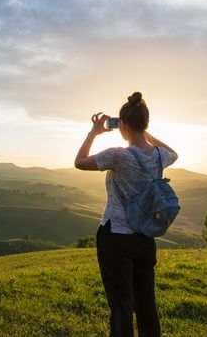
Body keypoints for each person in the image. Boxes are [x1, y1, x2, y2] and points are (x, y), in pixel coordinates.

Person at [73, 92, 178, 337]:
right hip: (145, 237)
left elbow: (79, 161)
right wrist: (144, 133)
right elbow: (173, 152)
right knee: (147, 308)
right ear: (146, 123)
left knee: (121, 307)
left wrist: (94, 133)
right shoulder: (160, 156)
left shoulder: (117, 155)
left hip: (116, 237)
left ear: (123, 124)